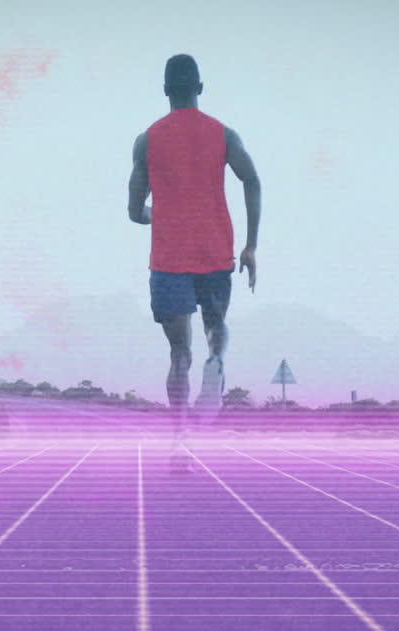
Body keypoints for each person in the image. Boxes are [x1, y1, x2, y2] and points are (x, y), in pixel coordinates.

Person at [128, 53, 261, 454]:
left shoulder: (147, 140)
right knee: (215, 328)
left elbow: (134, 211)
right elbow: (252, 180)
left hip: (169, 259)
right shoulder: (223, 135)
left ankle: (180, 435)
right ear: (200, 88)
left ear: (166, 90)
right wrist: (250, 246)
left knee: (179, 352)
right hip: (215, 253)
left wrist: (158, 213)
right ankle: (217, 361)